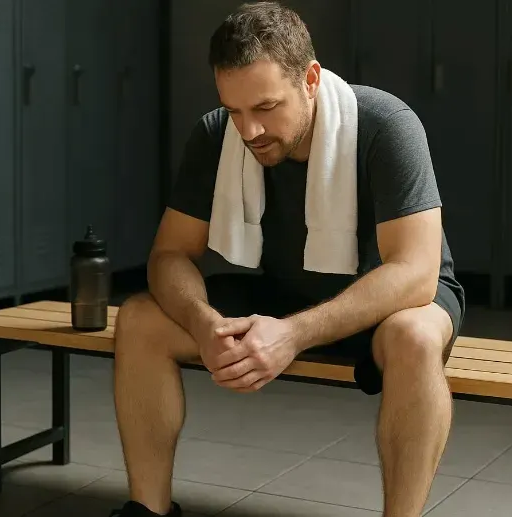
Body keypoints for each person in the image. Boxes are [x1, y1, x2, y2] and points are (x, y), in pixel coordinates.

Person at [110, 2, 465, 516]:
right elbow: (170, 254)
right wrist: (203, 323)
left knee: (414, 337)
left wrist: (293, 335)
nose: (249, 131)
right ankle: (148, 510)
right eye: (235, 110)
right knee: (141, 318)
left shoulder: (387, 125)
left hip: (390, 303)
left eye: (265, 107)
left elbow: (416, 273)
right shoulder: (217, 134)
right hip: (288, 291)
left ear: (311, 79)